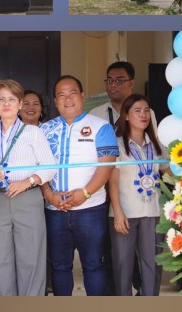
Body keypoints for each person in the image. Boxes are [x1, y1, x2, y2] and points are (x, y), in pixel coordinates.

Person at [0, 80, 56, 295]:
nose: (6, 103)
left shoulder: (33, 133)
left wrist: (27, 181)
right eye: (1, 99)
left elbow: (50, 168)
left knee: (31, 259)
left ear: (20, 104)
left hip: (27, 199)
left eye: (11, 99)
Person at [41, 75, 118, 296]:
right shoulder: (44, 130)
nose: (67, 99)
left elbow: (106, 167)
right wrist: (48, 193)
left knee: (93, 265)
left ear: (82, 96)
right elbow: (39, 166)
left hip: (90, 210)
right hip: (55, 211)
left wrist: (85, 193)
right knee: (59, 266)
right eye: (61, 95)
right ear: (55, 101)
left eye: (72, 93)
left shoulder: (101, 127)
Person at [108, 95, 164, 296]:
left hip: (152, 212)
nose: (143, 115)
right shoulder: (116, 144)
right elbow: (112, 181)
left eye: (146, 110)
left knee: (152, 265)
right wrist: (118, 212)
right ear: (126, 115)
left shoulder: (156, 145)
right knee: (123, 265)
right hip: (125, 213)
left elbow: (170, 171)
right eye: (137, 111)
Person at [88, 61, 155, 126]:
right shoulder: (95, 114)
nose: (113, 85)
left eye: (119, 81)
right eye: (109, 80)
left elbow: (150, 137)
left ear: (131, 84)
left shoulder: (144, 113)